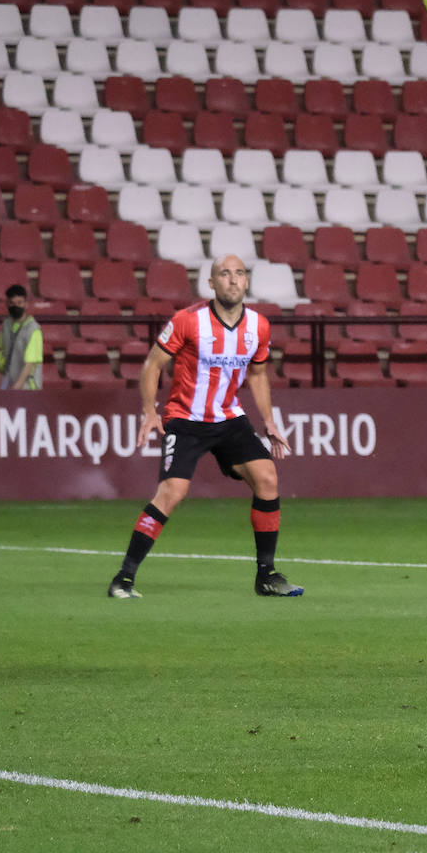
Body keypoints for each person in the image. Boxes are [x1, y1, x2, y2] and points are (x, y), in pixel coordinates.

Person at [106, 255, 303, 600]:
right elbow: (153, 364)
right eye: (224, 274)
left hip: (228, 418)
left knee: (267, 478)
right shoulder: (188, 320)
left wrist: (269, 421)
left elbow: (258, 374)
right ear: (211, 283)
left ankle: (267, 575)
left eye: (239, 273)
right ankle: (123, 578)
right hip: (186, 419)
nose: (233, 279)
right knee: (172, 493)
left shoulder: (259, 326)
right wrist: (149, 411)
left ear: (246, 282)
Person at [0, 284, 43, 390]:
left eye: (19, 302)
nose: (15, 306)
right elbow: (1, 351)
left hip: (28, 387)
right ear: (7, 304)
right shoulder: (6, 324)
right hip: (9, 382)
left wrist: (15, 389)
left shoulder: (33, 329)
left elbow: (29, 364)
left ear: (25, 304)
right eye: (12, 303)